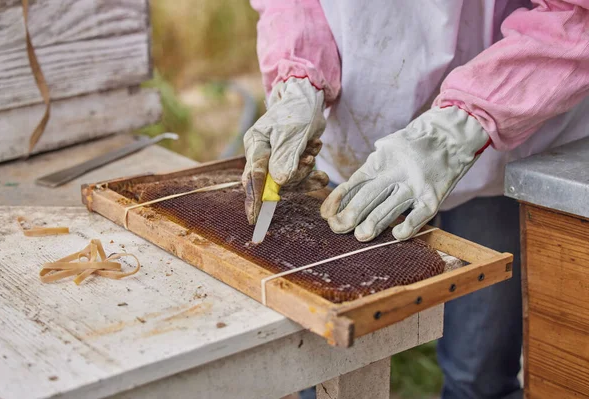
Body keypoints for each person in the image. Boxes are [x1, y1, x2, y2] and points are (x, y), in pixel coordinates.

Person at [243, 1, 589, 398]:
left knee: (481, 373)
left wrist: (453, 132)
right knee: (323, 362)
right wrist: (299, 78)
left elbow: (576, 17)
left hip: (496, 136)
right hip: (353, 143)